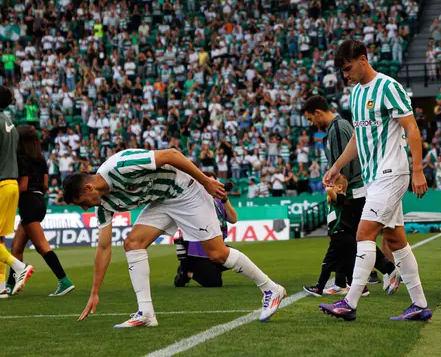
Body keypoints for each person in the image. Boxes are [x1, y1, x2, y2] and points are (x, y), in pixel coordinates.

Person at [65, 148, 285, 328]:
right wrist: (94, 293)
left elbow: (171, 154)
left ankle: (271, 288)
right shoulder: (103, 206)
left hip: (186, 191)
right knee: (133, 243)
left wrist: (206, 182)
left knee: (217, 254)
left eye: (83, 202)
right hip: (163, 200)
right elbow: (103, 248)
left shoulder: (119, 166)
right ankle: (146, 313)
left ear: (88, 187)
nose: (85, 207)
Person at [318, 40, 431, 322]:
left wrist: (418, 170)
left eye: (347, 68)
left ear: (363, 60)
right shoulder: (356, 94)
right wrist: (335, 167)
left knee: (363, 234)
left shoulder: (388, 87)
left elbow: (412, 128)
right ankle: (419, 305)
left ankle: (350, 302)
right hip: (374, 177)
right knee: (395, 239)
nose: (345, 75)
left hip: (392, 172)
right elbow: (358, 138)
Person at [302, 95, 401, 296]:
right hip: (357, 189)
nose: (312, 124)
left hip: (353, 192)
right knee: (354, 239)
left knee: (355, 239)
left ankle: (386, 271)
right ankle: (347, 281)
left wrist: (335, 192)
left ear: (318, 113)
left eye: (311, 119)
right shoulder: (340, 126)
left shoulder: (337, 129)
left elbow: (343, 168)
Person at [6, 126, 74, 297]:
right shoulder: (40, 157)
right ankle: (10, 284)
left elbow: (22, 186)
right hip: (39, 202)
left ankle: (64, 281)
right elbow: (45, 185)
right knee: (17, 248)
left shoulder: (21, 158)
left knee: (42, 246)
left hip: (28, 203)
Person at [303, 175, 369, 297]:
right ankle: (362, 289)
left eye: (333, 186)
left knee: (327, 263)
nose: (328, 189)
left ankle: (319, 287)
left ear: (340, 188)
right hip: (342, 237)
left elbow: (329, 191)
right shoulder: (335, 204)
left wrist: (328, 182)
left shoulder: (342, 199)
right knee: (348, 265)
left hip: (341, 236)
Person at [0, 85, 35, 298]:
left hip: (1, 184)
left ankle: (18, 266)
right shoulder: (9, 123)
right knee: (0, 239)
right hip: (11, 184)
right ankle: (2, 285)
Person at [174, 175, 237, 288]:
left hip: (216, 246)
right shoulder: (193, 201)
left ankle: (208, 269)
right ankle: (187, 273)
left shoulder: (218, 201)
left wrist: (225, 199)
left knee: (237, 259)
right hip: (199, 249)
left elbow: (233, 219)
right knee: (214, 283)